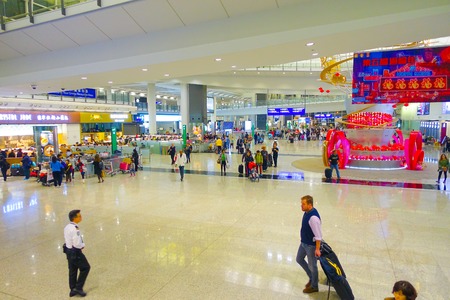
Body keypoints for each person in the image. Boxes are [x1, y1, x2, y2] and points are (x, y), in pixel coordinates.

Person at [296, 195, 322, 294]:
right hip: (304, 243)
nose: (301, 206)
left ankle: (314, 286)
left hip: (311, 246)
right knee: (299, 259)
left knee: (313, 266)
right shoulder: (307, 212)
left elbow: (318, 235)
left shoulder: (313, 218)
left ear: (310, 205)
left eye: (303, 204)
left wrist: (317, 249)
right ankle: (312, 277)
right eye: (301, 204)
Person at [64, 209, 90, 297]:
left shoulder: (67, 227)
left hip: (68, 251)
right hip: (76, 252)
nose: (81, 217)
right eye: (79, 216)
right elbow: (77, 243)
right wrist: (82, 245)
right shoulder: (75, 229)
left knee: (72, 270)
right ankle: (78, 288)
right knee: (86, 267)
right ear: (74, 218)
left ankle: (72, 289)